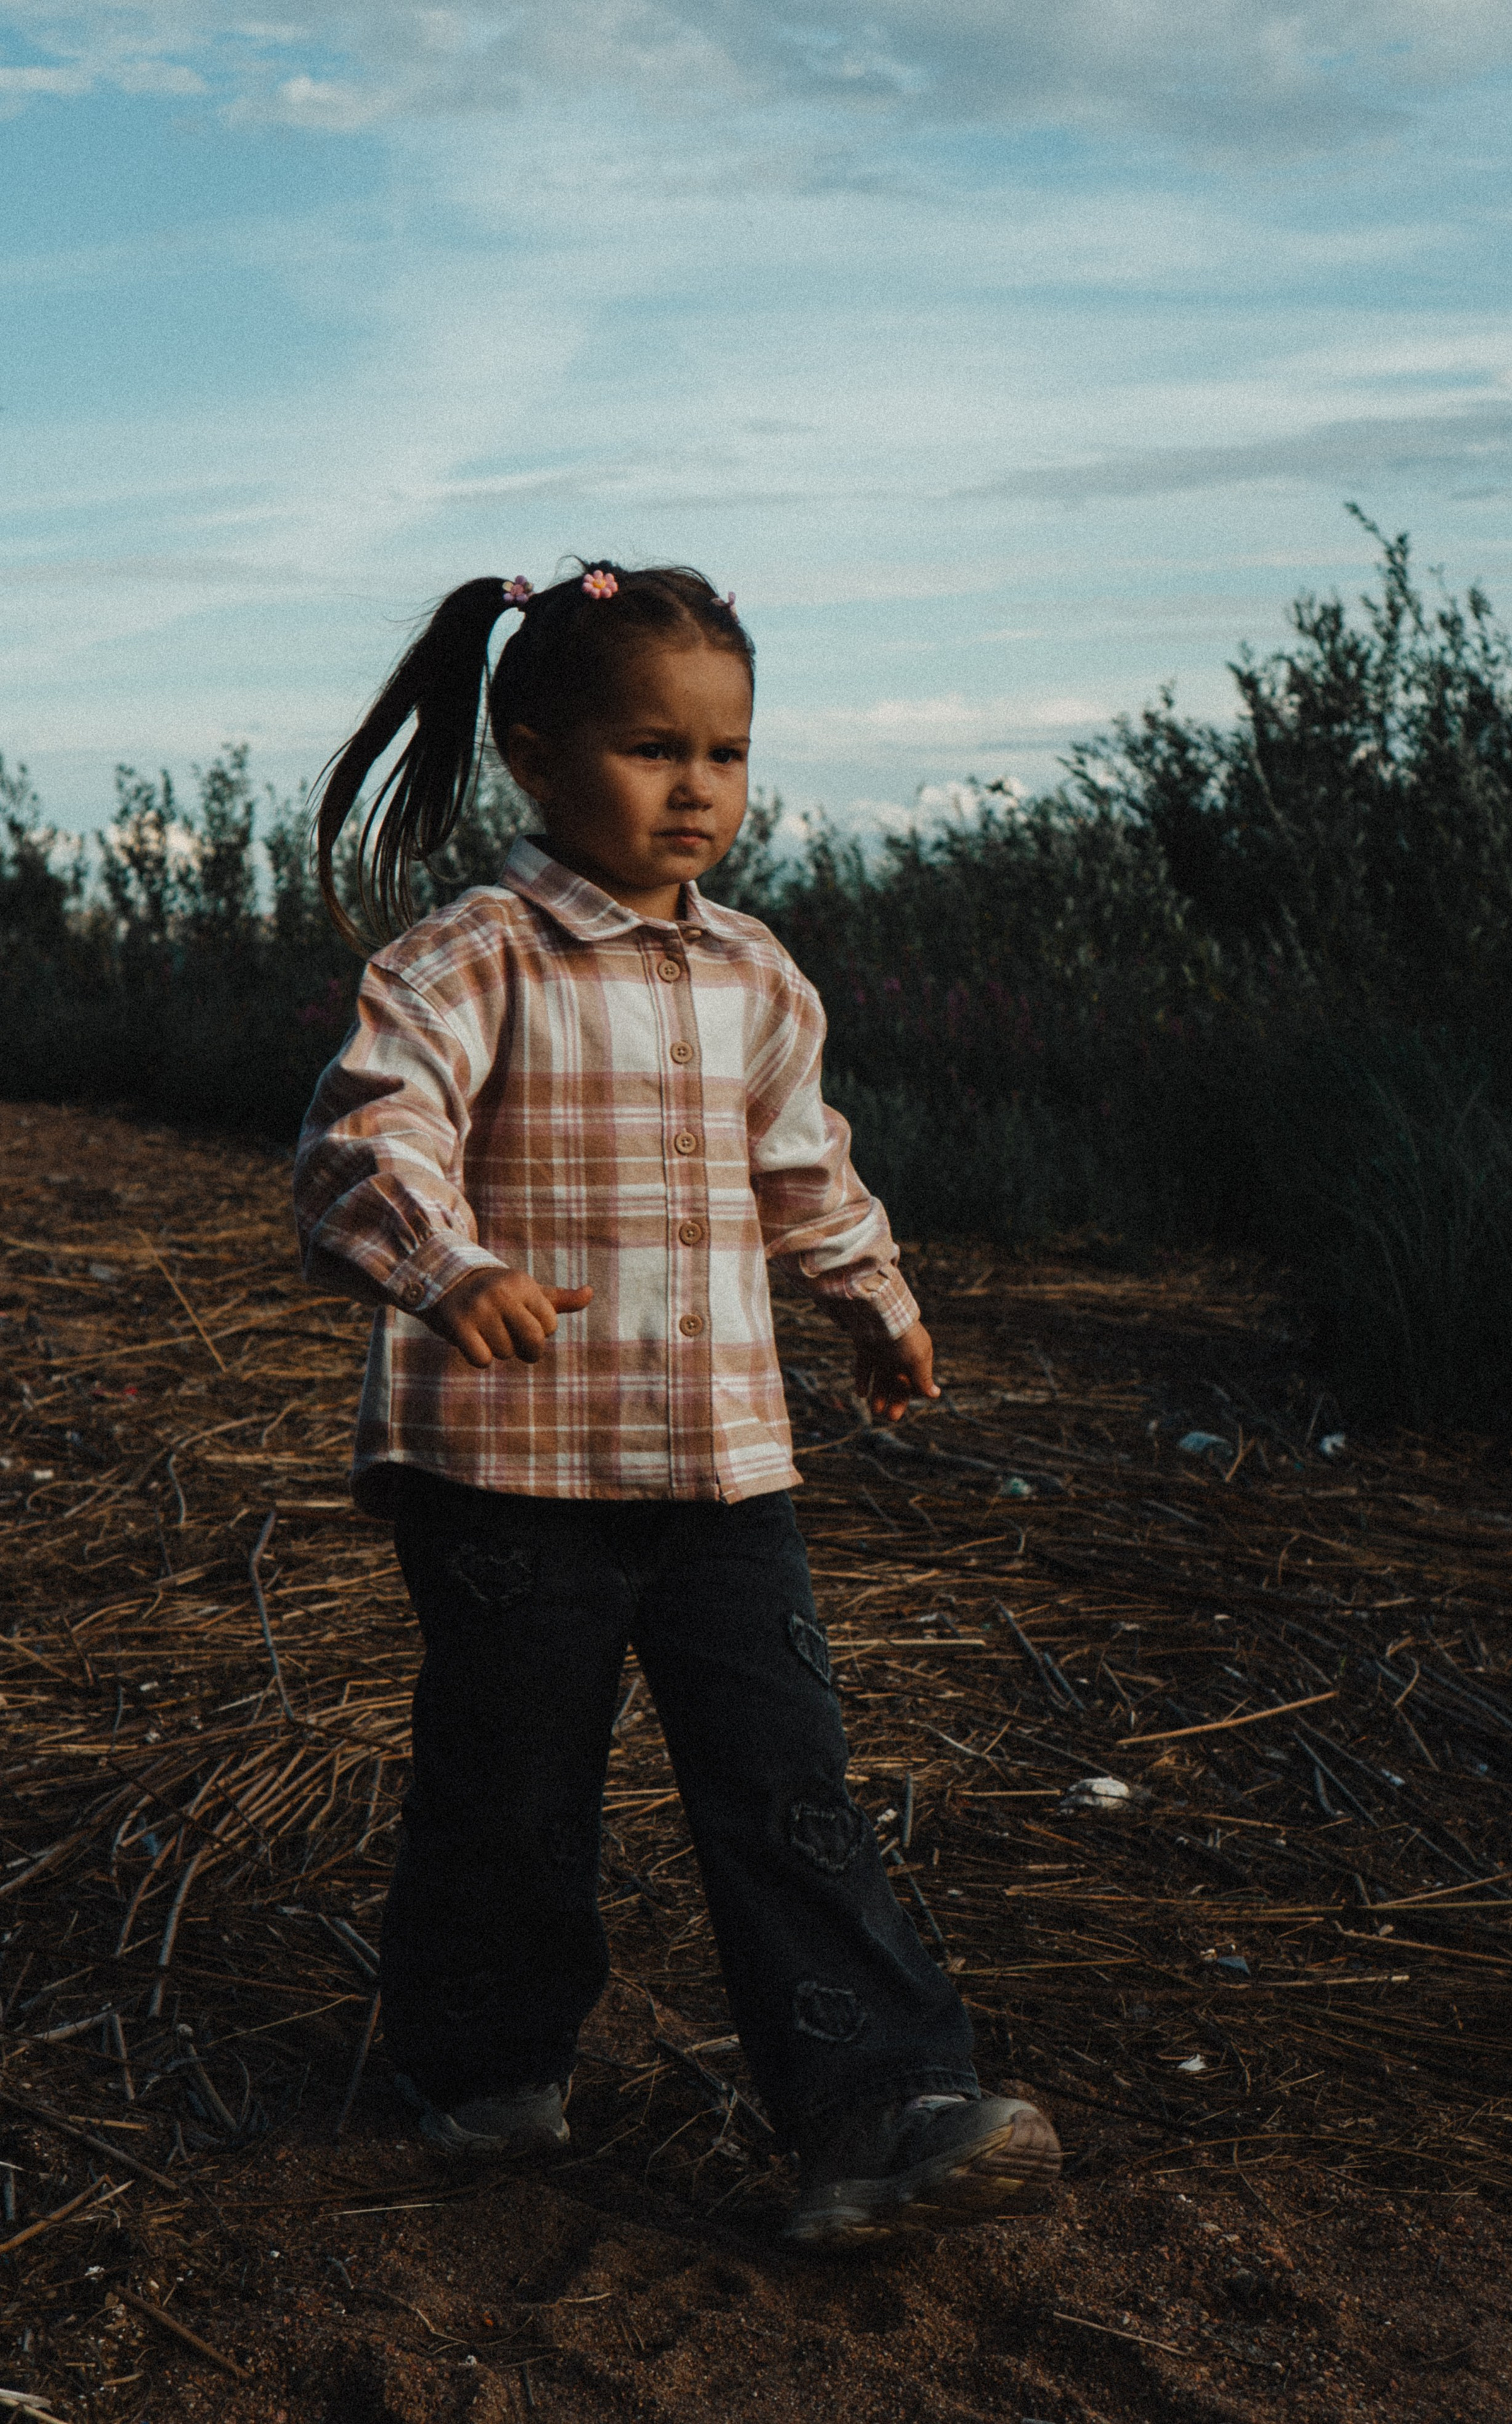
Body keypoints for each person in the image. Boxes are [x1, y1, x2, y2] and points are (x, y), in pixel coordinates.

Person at [293, 561, 1060, 2247]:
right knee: (512, 1786)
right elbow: (365, 1138)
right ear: (534, 748)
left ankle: (878, 2107)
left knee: (789, 1781)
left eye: (725, 751)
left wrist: (877, 1303)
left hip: (724, 1472)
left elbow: (806, 1165)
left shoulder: (757, 978)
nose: (698, 786)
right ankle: (480, 2063)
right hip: (507, 1471)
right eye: (654, 748)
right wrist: (448, 1265)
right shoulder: (466, 961)